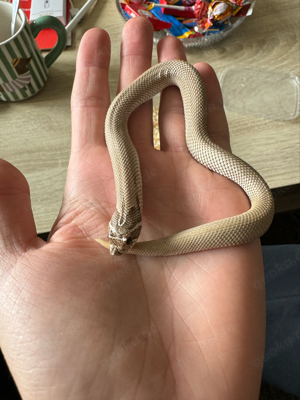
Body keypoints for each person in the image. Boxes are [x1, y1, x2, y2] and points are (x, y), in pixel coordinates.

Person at [0, 17, 297, 399]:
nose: (123, 241)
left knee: (200, 139)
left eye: (125, 234)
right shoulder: (117, 140)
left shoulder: (127, 147)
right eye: (125, 235)